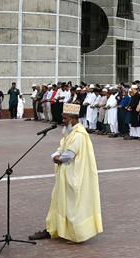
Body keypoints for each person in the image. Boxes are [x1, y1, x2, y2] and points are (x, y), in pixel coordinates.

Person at [28, 102, 103, 243]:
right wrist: (54, 156)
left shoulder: (80, 134)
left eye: (65, 118)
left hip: (73, 175)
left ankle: (76, 234)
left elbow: (69, 155)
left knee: (72, 204)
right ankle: (53, 229)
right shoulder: (71, 132)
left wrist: (58, 158)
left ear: (73, 118)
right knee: (58, 202)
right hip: (65, 173)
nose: (63, 121)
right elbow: (62, 147)